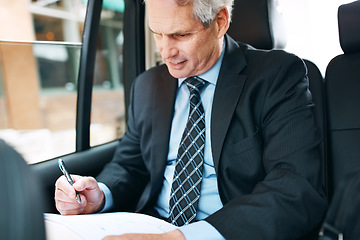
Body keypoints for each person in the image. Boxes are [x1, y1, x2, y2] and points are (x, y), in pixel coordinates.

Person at [54, 0, 328, 239]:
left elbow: (295, 187)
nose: (165, 51)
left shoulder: (275, 76)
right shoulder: (147, 85)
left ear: (220, 22)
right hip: (150, 226)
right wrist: (100, 194)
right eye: (157, 34)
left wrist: (183, 237)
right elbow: (130, 163)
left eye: (180, 34)